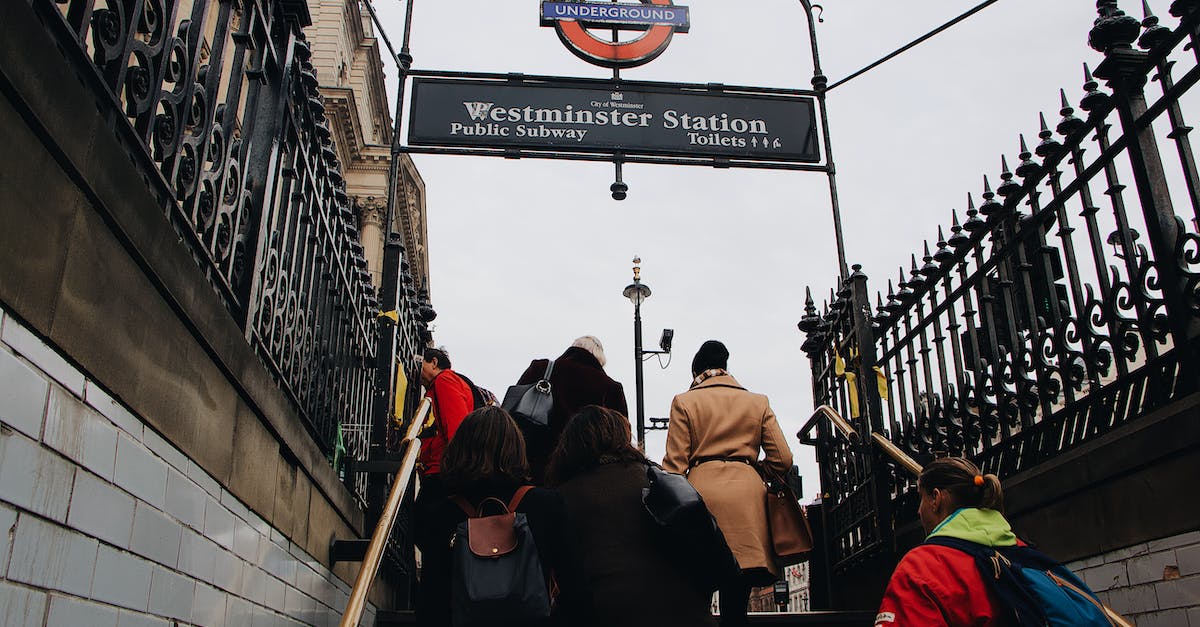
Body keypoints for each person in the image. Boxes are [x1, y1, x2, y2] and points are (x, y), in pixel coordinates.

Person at [546, 405, 717, 627]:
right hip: (690, 615)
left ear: (569, 447)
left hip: (608, 613)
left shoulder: (563, 496)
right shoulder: (660, 480)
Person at [662, 340, 793, 627]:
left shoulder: (685, 401)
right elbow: (783, 458)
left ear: (697, 370)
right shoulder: (757, 401)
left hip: (701, 496)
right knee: (738, 592)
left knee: (699, 588)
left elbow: (673, 468)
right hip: (748, 497)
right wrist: (757, 470)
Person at [413, 406, 568, 626]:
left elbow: (432, 598)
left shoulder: (443, 513)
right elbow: (573, 584)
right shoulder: (545, 505)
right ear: (515, 448)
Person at [874, 457, 1015, 626]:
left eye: (921, 498)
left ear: (936, 498)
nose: (919, 510)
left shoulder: (921, 567)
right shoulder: (1021, 550)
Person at [515, 335, 628, 483]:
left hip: (531, 471)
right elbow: (621, 439)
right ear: (600, 359)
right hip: (582, 478)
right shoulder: (610, 387)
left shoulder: (540, 369)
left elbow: (514, 410)